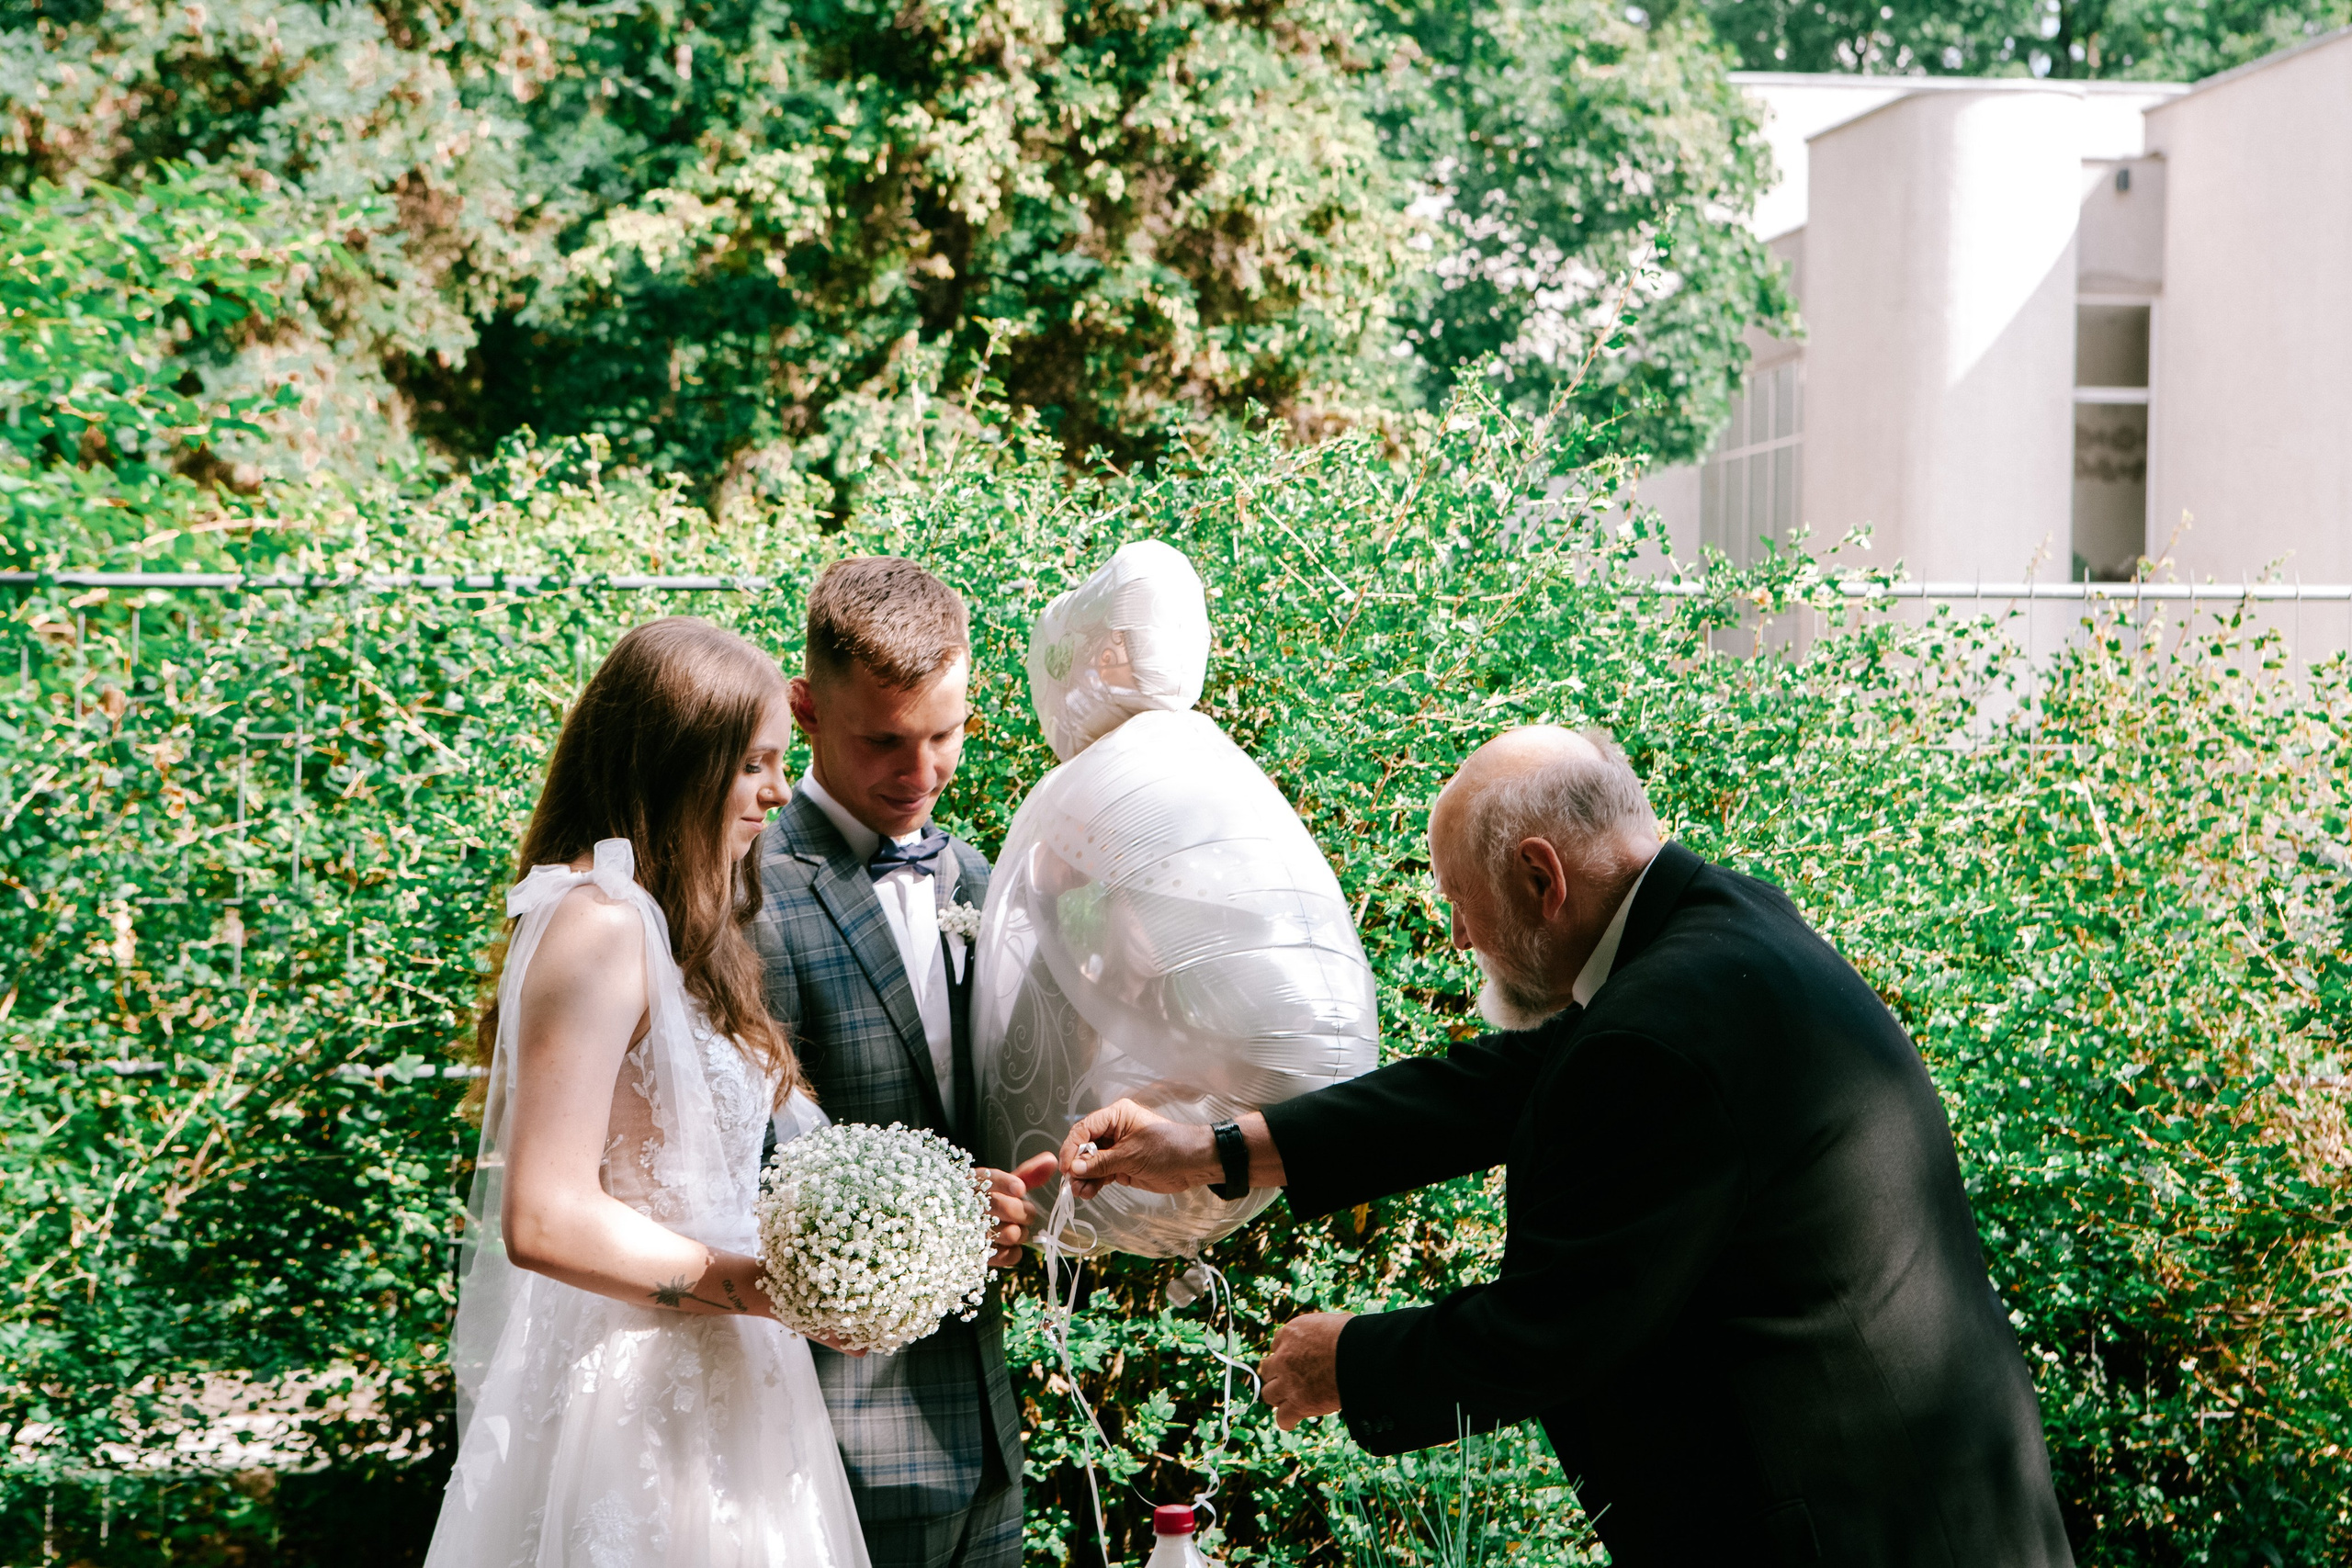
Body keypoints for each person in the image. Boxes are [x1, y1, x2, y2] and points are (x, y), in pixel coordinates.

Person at [1060, 725, 2076, 1567]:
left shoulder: (1657, 1034)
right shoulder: (1717, 929)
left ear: (1539, 877)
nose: (1459, 940)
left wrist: (1350, 1363)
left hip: (1847, 1534)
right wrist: (1214, 1148)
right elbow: (1504, 1085)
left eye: (1460, 905)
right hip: (1936, 1504)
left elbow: (1559, 1328)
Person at [426, 616, 865, 1568]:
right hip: (631, 1387)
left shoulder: (664, 925)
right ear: (680, 760)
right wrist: (760, 1288)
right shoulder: (598, 924)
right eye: (753, 764)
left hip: (724, 1368)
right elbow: (543, 1216)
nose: (778, 792)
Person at [752, 558, 1052, 1568]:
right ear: (804, 709)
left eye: (945, 734)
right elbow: (735, 1163)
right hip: (837, 1425)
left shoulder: (977, 873)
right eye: (883, 741)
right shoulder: (748, 894)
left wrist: (1019, 1207)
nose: (920, 774)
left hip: (986, 1421)